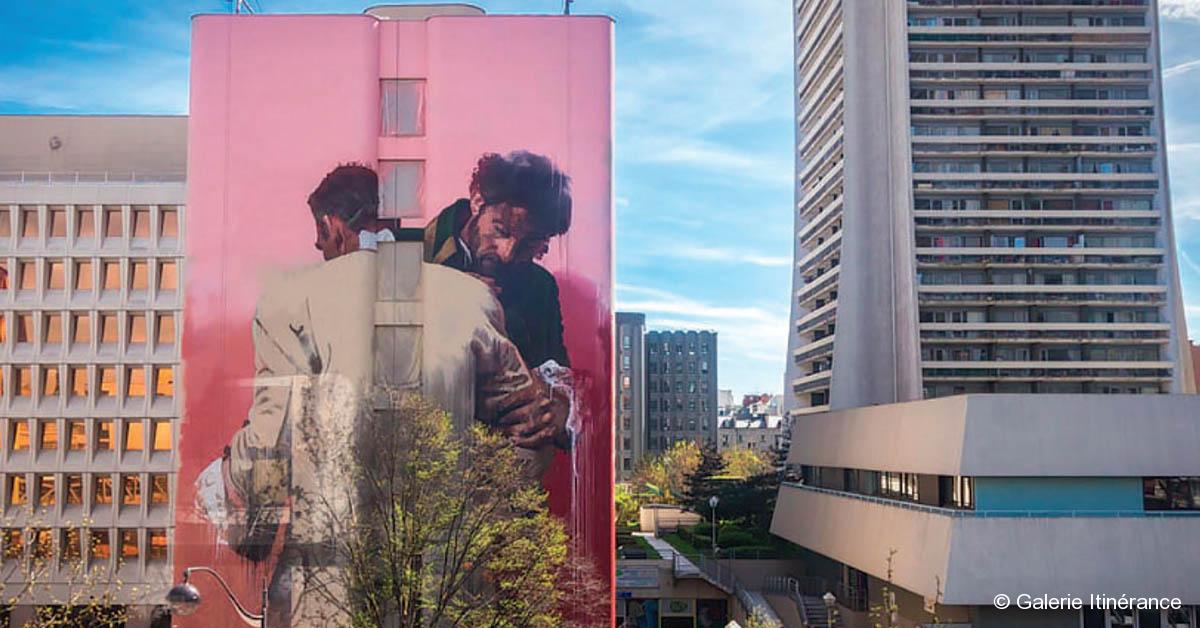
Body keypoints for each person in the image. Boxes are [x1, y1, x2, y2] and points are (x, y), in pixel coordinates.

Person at [195, 164, 560, 625]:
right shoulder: (471, 298)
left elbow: (272, 440)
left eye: (320, 236)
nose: (319, 247)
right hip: (448, 591)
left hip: (331, 592)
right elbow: (532, 429)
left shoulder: (292, 299)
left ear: (332, 226)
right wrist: (474, 513)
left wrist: (220, 485)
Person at [424, 151, 572, 371]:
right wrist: (447, 290)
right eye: (500, 230)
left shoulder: (542, 289)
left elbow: (559, 384)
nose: (507, 253)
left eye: (528, 243)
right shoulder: (411, 253)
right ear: (477, 201)